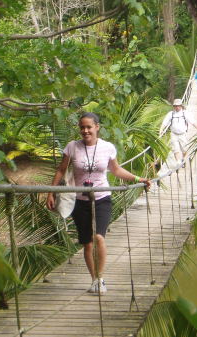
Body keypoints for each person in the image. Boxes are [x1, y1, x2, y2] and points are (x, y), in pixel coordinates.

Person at [46, 112, 151, 294]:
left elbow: (116, 170)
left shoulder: (107, 147)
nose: (85, 131)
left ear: (97, 127)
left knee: (99, 237)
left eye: (88, 127)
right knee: (87, 243)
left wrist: (138, 178)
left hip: (102, 197)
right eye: (82, 128)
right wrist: (51, 192)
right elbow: (61, 170)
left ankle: (101, 278)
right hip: (80, 200)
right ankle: (94, 279)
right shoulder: (72, 147)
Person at [159, 98, 197, 164]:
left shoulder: (185, 113)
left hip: (182, 134)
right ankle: (178, 162)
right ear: (174, 106)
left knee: (185, 150)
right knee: (175, 149)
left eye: (178, 106)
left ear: (181, 106)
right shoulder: (171, 114)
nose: (177, 107)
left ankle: (182, 159)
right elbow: (164, 123)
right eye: (175, 106)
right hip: (174, 134)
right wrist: (161, 131)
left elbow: (192, 121)